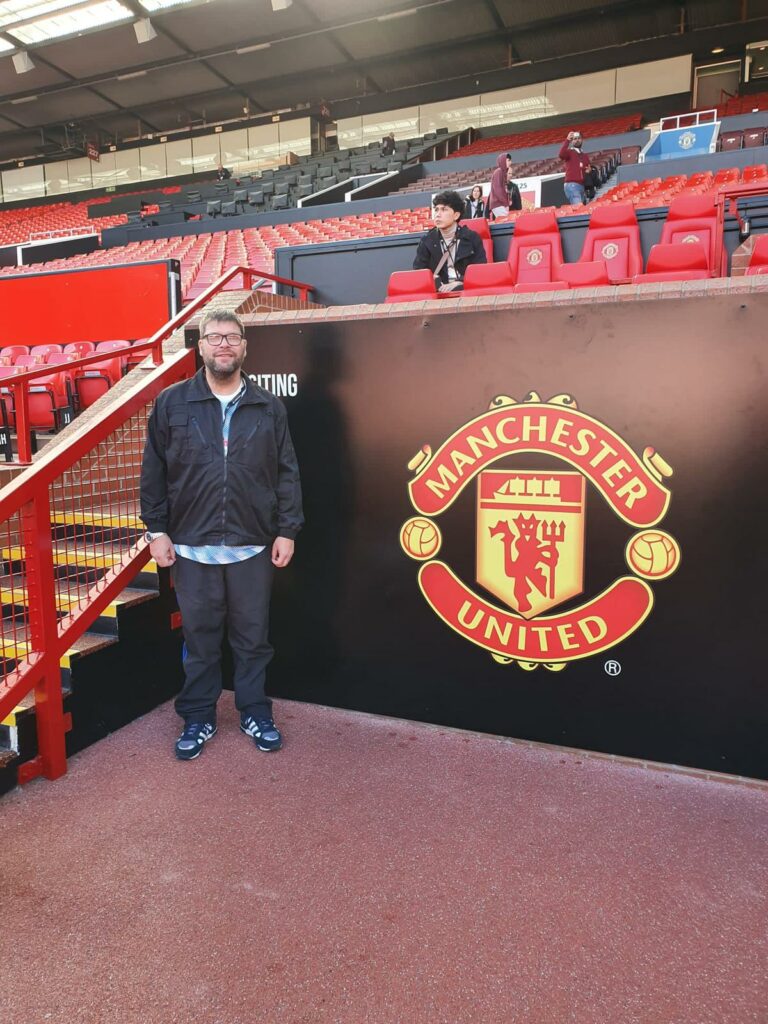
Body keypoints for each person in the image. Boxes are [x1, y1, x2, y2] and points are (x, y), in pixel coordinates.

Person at [140, 309, 303, 761]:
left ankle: (255, 711)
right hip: (192, 547)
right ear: (201, 347)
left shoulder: (268, 406)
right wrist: (156, 530)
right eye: (215, 337)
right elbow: (154, 471)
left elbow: (286, 472)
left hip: (253, 545)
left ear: (244, 346)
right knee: (200, 640)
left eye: (232, 337)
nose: (224, 345)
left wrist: (287, 529)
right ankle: (198, 716)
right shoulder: (172, 403)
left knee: (253, 640)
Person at [413, 189, 487, 292]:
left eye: (444, 210)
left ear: (456, 215)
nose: (438, 214)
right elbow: (418, 272)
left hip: (467, 290)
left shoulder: (471, 237)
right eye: (436, 210)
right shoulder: (427, 240)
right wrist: (432, 279)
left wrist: (461, 282)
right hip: (439, 293)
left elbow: (480, 270)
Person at [558, 131, 589, 206]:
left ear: (582, 140)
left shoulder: (585, 156)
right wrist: (567, 140)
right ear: (572, 141)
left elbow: (586, 168)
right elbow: (561, 154)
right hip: (572, 184)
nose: (577, 140)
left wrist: (588, 171)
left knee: (582, 208)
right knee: (579, 208)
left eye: (579, 138)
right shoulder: (569, 152)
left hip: (582, 185)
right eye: (575, 139)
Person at [488, 152, 512, 219]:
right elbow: (498, 189)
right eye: (508, 160)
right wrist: (505, 203)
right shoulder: (499, 172)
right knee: (506, 221)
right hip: (498, 203)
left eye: (510, 160)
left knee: (505, 221)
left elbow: (504, 189)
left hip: (500, 203)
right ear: (503, 161)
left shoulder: (503, 172)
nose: (510, 162)